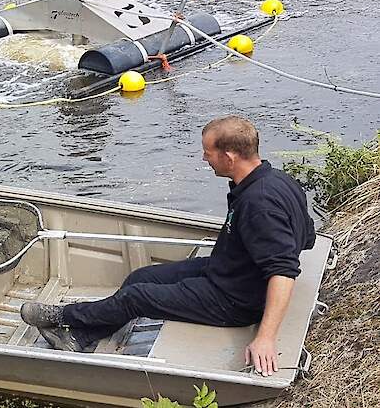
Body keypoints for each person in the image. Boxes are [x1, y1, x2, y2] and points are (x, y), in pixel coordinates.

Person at [20, 115, 316, 376]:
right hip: (227, 273)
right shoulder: (274, 180)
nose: (204, 159)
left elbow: (283, 271)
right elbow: (307, 235)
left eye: (207, 152)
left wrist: (265, 336)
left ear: (229, 156)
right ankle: (80, 339)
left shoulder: (259, 203)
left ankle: (63, 317)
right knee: (140, 278)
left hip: (235, 301)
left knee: (135, 297)